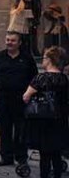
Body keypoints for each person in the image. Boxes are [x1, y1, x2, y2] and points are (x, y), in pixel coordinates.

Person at [0, 31, 38, 168]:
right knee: (4, 130)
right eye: (7, 40)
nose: (9, 42)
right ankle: (6, 157)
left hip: (22, 102)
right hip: (3, 102)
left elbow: (34, 78)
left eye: (12, 40)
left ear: (19, 43)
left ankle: (21, 156)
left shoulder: (27, 58)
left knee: (21, 131)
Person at [22, 46, 68, 178]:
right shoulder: (64, 79)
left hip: (43, 120)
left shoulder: (41, 78)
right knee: (57, 153)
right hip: (60, 120)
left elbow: (26, 97)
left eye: (44, 57)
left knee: (45, 154)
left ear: (50, 60)